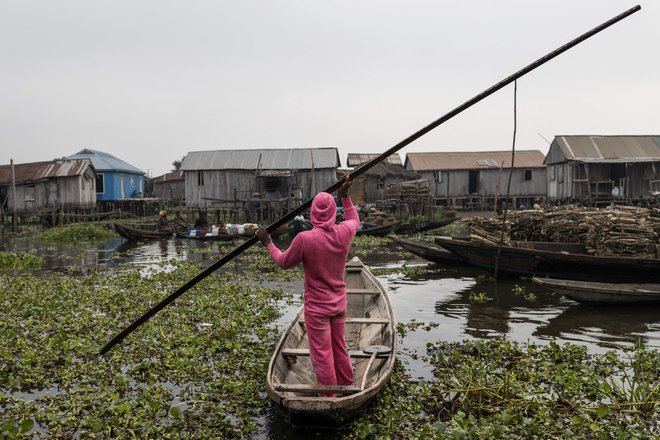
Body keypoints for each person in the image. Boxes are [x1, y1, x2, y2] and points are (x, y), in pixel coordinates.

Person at [256, 177, 358, 397]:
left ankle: (328, 395)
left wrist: (268, 243)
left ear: (313, 213)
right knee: (338, 346)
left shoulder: (305, 239)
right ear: (333, 212)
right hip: (339, 304)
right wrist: (345, 196)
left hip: (317, 309)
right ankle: (348, 385)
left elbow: (283, 262)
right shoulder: (344, 233)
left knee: (322, 353)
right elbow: (353, 218)